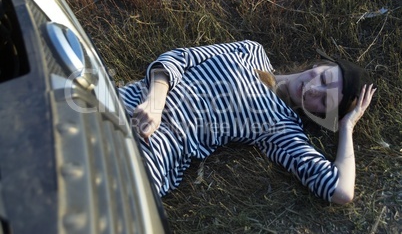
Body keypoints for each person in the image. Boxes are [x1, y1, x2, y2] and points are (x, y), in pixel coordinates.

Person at [118, 40, 376, 205]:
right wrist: (155, 101)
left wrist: (347, 126)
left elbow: (340, 190)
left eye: (325, 102)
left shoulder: (282, 126)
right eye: (323, 79)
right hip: (123, 103)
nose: (314, 90)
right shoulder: (252, 51)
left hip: (152, 152)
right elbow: (180, 58)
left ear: (321, 116)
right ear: (320, 64)